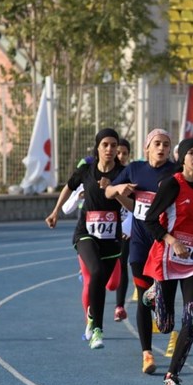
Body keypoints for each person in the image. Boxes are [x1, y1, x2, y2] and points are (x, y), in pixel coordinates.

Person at [105, 129, 179, 374]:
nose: (161, 148)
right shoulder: (135, 169)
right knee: (142, 297)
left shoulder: (175, 172)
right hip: (139, 244)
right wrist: (119, 189)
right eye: (157, 144)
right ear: (147, 147)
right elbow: (108, 191)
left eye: (166, 144)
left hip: (164, 244)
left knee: (165, 310)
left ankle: (162, 310)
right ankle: (147, 353)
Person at [141, 138, 193, 385]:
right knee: (165, 326)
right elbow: (150, 220)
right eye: (191, 152)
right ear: (182, 158)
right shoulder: (173, 184)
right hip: (168, 258)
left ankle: (172, 376)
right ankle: (152, 294)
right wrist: (172, 240)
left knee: (190, 320)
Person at [45, 128, 125, 350]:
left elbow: (132, 202)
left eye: (113, 145)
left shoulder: (123, 173)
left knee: (102, 284)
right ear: (97, 147)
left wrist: (114, 190)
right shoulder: (86, 170)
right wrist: (55, 212)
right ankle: (98, 330)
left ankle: (92, 314)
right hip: (86, 233)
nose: (109, 149)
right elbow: (68, 187)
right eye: (105, 145)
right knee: (96, 272)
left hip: (111, 237)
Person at [113, 138, 133, 322]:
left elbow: (136, 206)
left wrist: (127, 226)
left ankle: (119, 306)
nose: (120, 156)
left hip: (125, 229)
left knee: (122, 263)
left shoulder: (132, 177)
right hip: (106, 227)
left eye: (124, 153)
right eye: (118, 152)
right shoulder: (106, 174)